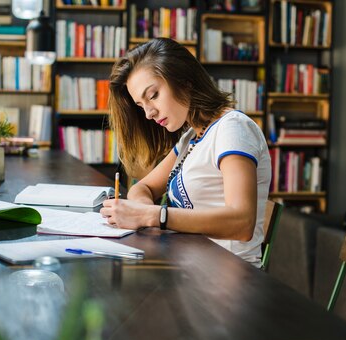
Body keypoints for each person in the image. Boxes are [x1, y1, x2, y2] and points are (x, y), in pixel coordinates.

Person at [101, 38, 271, 266]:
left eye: (153, 95)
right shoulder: (191, 137)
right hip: (189, 268)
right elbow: (142, 187)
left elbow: (242, 223)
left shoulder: (233, 128)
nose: (149, 113)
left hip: (229, 278)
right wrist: (142, 210)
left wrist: (152, 216)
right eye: (141, 106)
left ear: (185, 81)